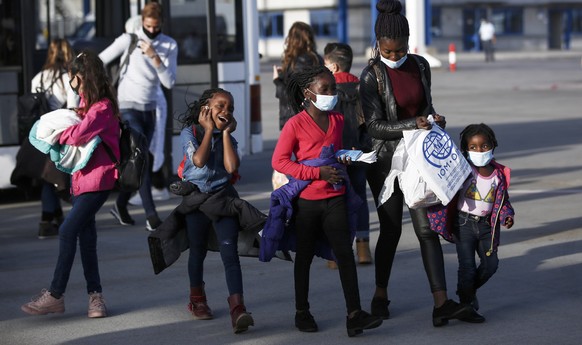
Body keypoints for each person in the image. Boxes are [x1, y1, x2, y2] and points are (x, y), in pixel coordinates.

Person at [359, 0, 473, 326]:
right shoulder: (372, 76)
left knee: (426, 229)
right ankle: (380, 294)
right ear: (378, 44)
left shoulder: (420, 66)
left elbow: (426, 105)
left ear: (408, 44)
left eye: (399, 51)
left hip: (418, 157)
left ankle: (441, 304)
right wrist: (414, 123)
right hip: (385, 162)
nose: (394, 57)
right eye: (387, 51)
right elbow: (375, 126)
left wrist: (433, 118)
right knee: (392, 229)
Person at [270, 65, 382, 337]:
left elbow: (330, 151)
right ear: (308, 93)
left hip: (335, 197)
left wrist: (347, 156)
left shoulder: (338, 120)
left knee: (345, 254)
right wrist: (316, 172)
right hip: (308, 202)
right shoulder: (294, 124)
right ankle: (302, 311)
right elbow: (280, 161)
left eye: (333, 88)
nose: (332, 93)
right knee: (305, 257)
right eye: (326, 89)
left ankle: (354, 315)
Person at [21, 50, 121, 318]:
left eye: (72, 78)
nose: (70, 83)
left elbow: (77, 135)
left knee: (66, 231)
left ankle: (55, 294)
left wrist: (56, 132)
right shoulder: (90, 106)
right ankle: (95, 298)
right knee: (87, 240)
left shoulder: (101, 108)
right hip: (82, 182)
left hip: (98, 181)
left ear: (80, 77)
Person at [177, 88, 254, 334]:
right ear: (205, 108)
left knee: (230, 256)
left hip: (223, 200)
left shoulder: (226, 136)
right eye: (220, 106)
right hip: (197, 201)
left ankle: (238, 308)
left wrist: (226, 134)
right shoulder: (189, 133)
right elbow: (199, 161)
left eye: (230, 108)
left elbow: (231, 167)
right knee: (197, 251)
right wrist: (209, 130)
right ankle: (197, 298)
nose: (226, 111)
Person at [99, 1, 178, 231]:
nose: (152, 30)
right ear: (142, 21)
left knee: (144, 160)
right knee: (139, 154)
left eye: (156, 26)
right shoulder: (130, 39)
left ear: (161, 23)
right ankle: (152, 216)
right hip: (127, 106)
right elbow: (101, 59)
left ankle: (121, 204)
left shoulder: (169, 45)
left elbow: (169, 82)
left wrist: (155, 57)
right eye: (148, 26)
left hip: (150, 107)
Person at [428, 123, 515, 323]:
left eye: (484, 146)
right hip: (463, 224)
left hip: (486, 227)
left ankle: (466, 290)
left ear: (493, 145)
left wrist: (506, 215)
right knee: (466, 266)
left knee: (491, 265)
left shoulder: (499, 175)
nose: (479, 151)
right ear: (465, 149)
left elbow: (503, 201)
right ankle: (466, 303)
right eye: (473, 147)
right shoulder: (463, 170)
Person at [323, 42, 372, 267]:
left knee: (337, 202)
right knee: (360, 199)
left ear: (333, 66)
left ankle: (337, 253)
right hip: (361, 153)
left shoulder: (329, 90)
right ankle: (363, 250)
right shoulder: (363, 87)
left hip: (337, 154)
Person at [30, 39, 79, 239]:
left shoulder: (38, 78)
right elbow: (73, 109)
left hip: (42, 132)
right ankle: (46, 221)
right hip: (61, 134)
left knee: (49, 177)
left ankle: (55, 218)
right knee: (56, 178)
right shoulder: (68, 79)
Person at [271, 22, 323, 190]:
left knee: (290, 164)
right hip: (314, 115)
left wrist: (278, 80)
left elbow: (291, 93)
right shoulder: (317, 58)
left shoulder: (295, 62)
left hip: (294, 117)